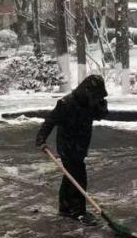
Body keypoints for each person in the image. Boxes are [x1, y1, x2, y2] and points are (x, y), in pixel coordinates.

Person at [35, 74, 109, 227]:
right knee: (78, 177)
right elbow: (50, 121)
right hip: (67, 145)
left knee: (70, 176)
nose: (96, 100)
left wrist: (102, 104)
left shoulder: (90, 103)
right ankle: (78, 211)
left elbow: (100, 115)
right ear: (87, 92)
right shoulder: (66, 103)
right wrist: (41, 139)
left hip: (81, 144)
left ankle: (65, 208)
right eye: (95, 97)